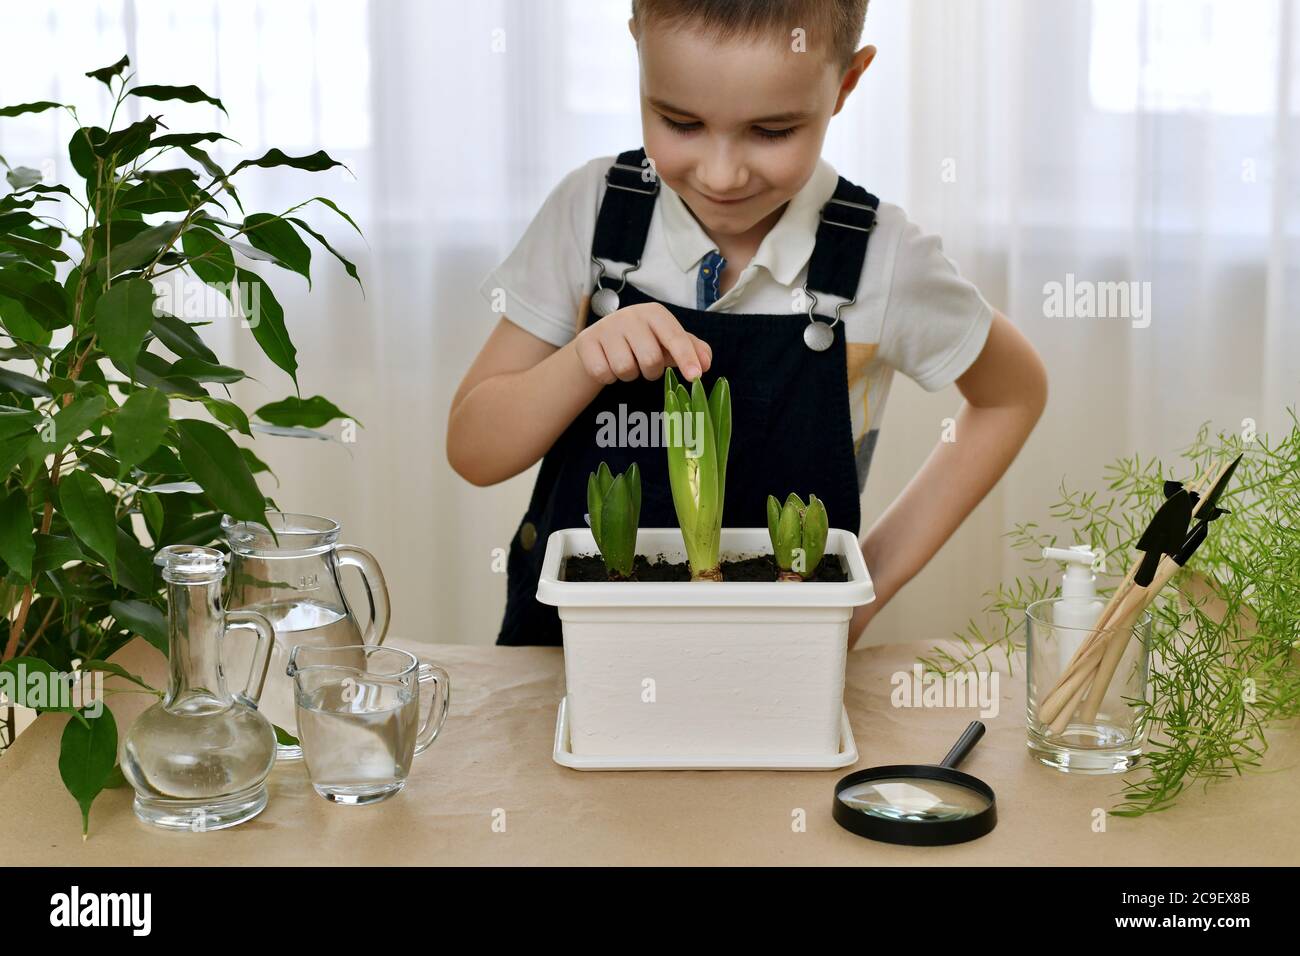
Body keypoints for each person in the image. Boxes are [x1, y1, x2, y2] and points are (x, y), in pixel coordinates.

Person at [447, 0, 1048, 647]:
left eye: (771, 131)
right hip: (573, 666)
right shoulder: (592, 213)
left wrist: (866, 584)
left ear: (845, 83)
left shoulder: (882, 257)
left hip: (780, 668)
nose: (721, 173)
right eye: (680, 121)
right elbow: (474, 450)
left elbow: (1013, 394)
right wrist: (583, 359)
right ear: (638, 49)